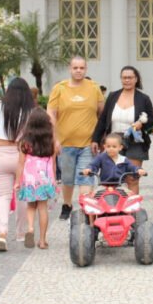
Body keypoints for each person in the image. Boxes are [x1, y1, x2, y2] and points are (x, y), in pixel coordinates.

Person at [47, 56, 104, 220]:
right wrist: (54, 138)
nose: (78, 71)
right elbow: (51, 113)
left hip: (88, 143)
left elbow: (101, 112)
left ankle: (86, 208)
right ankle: (67, 204)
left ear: (86, 69)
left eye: (81, 68)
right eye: (75, 68)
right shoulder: (60, 88)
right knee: (67, 178)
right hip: (65, 143)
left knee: (85, 176)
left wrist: (99, 137)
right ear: (70, 69)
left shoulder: (94, 88)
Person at [91, 66, 153, 194]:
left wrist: (142, 125)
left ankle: (132, 211)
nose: (127, 80)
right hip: (113, 141)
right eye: (124, 77)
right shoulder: (113, 96)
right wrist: (95, 139)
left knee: (132, 178)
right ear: (121, 79)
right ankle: (113, 209)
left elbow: (152, 122)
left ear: (136, 79)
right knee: (111, 178)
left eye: (130, 77)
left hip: (135, 142)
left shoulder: (144, 98)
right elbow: (103, 119)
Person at [0, 77, 35, 252]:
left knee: (4, 196)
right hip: (21, 156)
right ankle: (21, 233)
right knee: (21, 195)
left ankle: (2, 233)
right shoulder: (29, 111)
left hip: (0, 155)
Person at [14, 107, 56, 250]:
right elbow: (53, 163)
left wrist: (17, 181)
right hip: (45, 178)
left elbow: (20, 163)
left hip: (30, 178)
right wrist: (54, 180)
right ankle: (43, 240)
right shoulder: (51, 141)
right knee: (42, 208)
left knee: (31, 206)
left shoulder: (25, 142)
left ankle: (30, 228)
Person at [82, 133, 146, 188]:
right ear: (104, 147)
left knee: (128, 197)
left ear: (120, 147)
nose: (111, 149)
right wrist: (89, 169)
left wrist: (138, 170)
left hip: (120, 186)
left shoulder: (124, 159)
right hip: (104, 185)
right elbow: (93, 165)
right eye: (108, 146)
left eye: (114, 146)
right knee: (96, 196)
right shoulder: (101, 157)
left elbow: (132, 167)